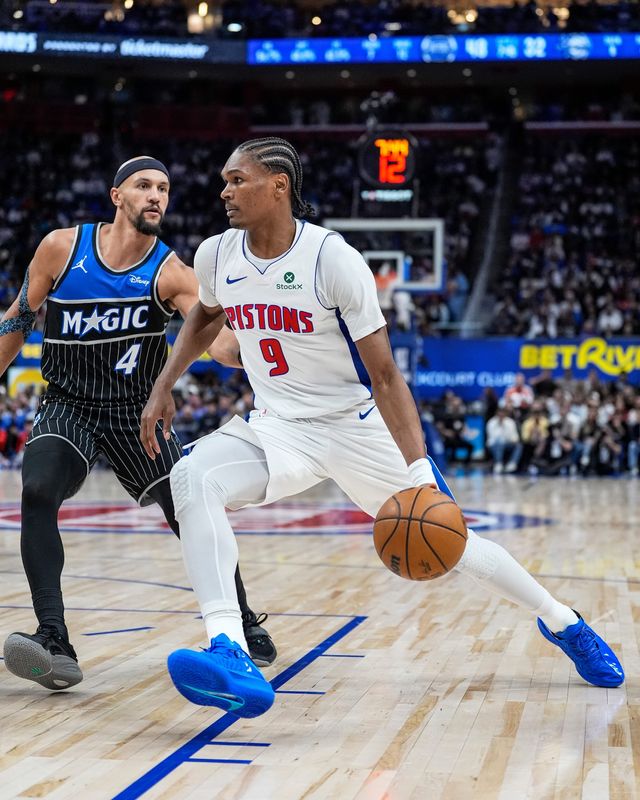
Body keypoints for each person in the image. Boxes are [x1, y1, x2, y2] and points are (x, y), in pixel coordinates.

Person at [141, 137, 624, 719]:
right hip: (277, 428)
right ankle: (228, 646)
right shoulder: (217, 255)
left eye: (237, 179)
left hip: (354, 425)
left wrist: (420, 472)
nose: (224, 191)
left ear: (279, 185)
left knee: (453, 544)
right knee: (191, 477)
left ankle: (562, 622)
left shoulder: (332, 259)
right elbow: (205, 316)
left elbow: (386, 375)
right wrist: (164, 384)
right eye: (224, 180)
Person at [0, 156, 275, 693]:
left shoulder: (172, 271)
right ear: (116, 196)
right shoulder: (61, 248)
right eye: (144, 186)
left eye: (164, 188)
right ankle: (53, 638)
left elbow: (216, 340)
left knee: (191, 506)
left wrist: (258, 345)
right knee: (36, 488)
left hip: (137, 413)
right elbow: (17, 318)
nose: (156, 196)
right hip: (68, 404)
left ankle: (240, 620)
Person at [485, 405, 522, 473]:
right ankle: (498, 463)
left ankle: (512, 464)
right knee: (500, 442)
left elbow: (514, 436)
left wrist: (512, 440)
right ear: (497, 413)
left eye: (503, 412)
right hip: (494, 444)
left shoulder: (510, 422)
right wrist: (501, 426)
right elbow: (493, 438)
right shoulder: (491, 422)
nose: (501, 414)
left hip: (508, 443)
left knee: (518, 445)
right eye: (500, 412)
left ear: (505, 413)